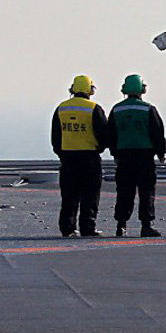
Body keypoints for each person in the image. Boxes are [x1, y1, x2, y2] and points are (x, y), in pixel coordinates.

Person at [107, 74, 166, 238]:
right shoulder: (148, 109)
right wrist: (161, 153)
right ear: (142, 89)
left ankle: (121, 225)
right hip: (145, 156)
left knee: (124, 191)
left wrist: (115, 153)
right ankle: (146, 226)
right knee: (146, 192)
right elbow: (157, 133)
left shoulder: (117, 109)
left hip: (124, 157)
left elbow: (110, 134)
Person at [51, 75, 108, 237]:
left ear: (72, 89)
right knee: (90, 194)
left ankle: (67, 227)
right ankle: (87, 227)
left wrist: (61, 153)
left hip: (68, 158)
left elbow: (56, 136)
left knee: (69, 194)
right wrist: (101, 147)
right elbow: (104, 133)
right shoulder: (94, 108)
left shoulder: (62, 108)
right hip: (89, 156)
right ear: (90, 90)